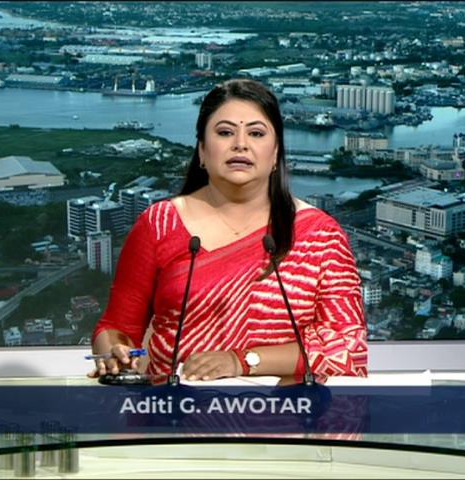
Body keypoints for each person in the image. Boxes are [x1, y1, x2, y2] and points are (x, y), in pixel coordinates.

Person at [91, 79, 367, 382]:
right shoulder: (159, 223)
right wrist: (114, 352)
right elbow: (116, 327)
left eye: (256, 133)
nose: (240, 144)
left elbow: (348, 347)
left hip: (287, 409)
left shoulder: (321, 235)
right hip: (174, 406)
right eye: (224, 132)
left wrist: (243, 360)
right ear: (202, 150)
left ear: (276, 152)